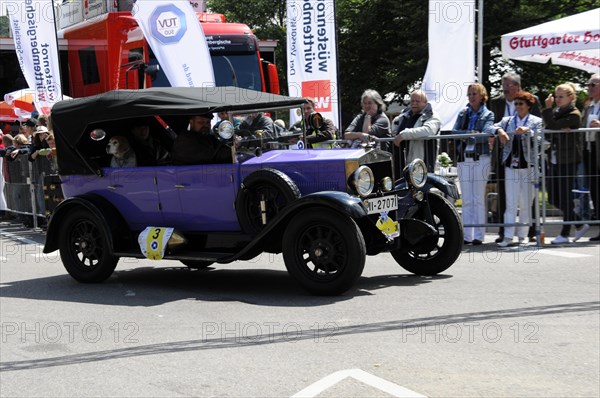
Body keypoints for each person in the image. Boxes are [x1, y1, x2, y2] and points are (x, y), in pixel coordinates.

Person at [489, 72, 542, 243]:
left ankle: (523, 235)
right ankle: (508, 236)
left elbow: (541, 139)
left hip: (529, 166)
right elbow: (491, 127)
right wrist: (500, 131)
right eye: (516, 103)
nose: (518, 106)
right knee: (510, 203)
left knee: (526, 203)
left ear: (528, 106)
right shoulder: (507, 120)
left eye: (521, 104)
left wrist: (529, 132)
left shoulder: (535, 121)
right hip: (511, 165)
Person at [452, 83, 495, 245]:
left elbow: (486, 133)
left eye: (475, 93)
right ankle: (466, 235)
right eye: (469, 93)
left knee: (478, 197)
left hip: (480, 158)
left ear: (482, 95)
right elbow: (454, 132)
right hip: (464, 157)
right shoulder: (463, 113)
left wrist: (470, 136)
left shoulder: (488, 114)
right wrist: (470, 134)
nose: (471, 96)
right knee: (467, 198)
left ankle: (479, 235)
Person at [542, 82, 585, 244]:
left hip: (568, 159)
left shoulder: (574, 114)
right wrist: (554, 124)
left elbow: (552, 125)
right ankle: (579, 222)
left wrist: (547, 110)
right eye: (556, 96)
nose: (557, 99)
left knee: (565, 196)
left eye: (561, 97)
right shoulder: (557, 112)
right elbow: (550, 128)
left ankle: (565, 233)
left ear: (571, 97)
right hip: (554, 158)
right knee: (553, 196)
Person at [392, 89, 441, 175]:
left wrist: (404, 135)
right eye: (412, 101)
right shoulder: (404, 114)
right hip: (403, 163)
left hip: (423, 164)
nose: (414, 103)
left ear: (425, 102)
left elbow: (428, 130)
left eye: (417, 101)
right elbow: (394, 128)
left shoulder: (432, 115)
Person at [582, 74, 600, 241]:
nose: (589, 87)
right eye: (589, 84)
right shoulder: (589, 107)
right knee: (595, 189)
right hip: (590, 151)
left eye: (593, 84)